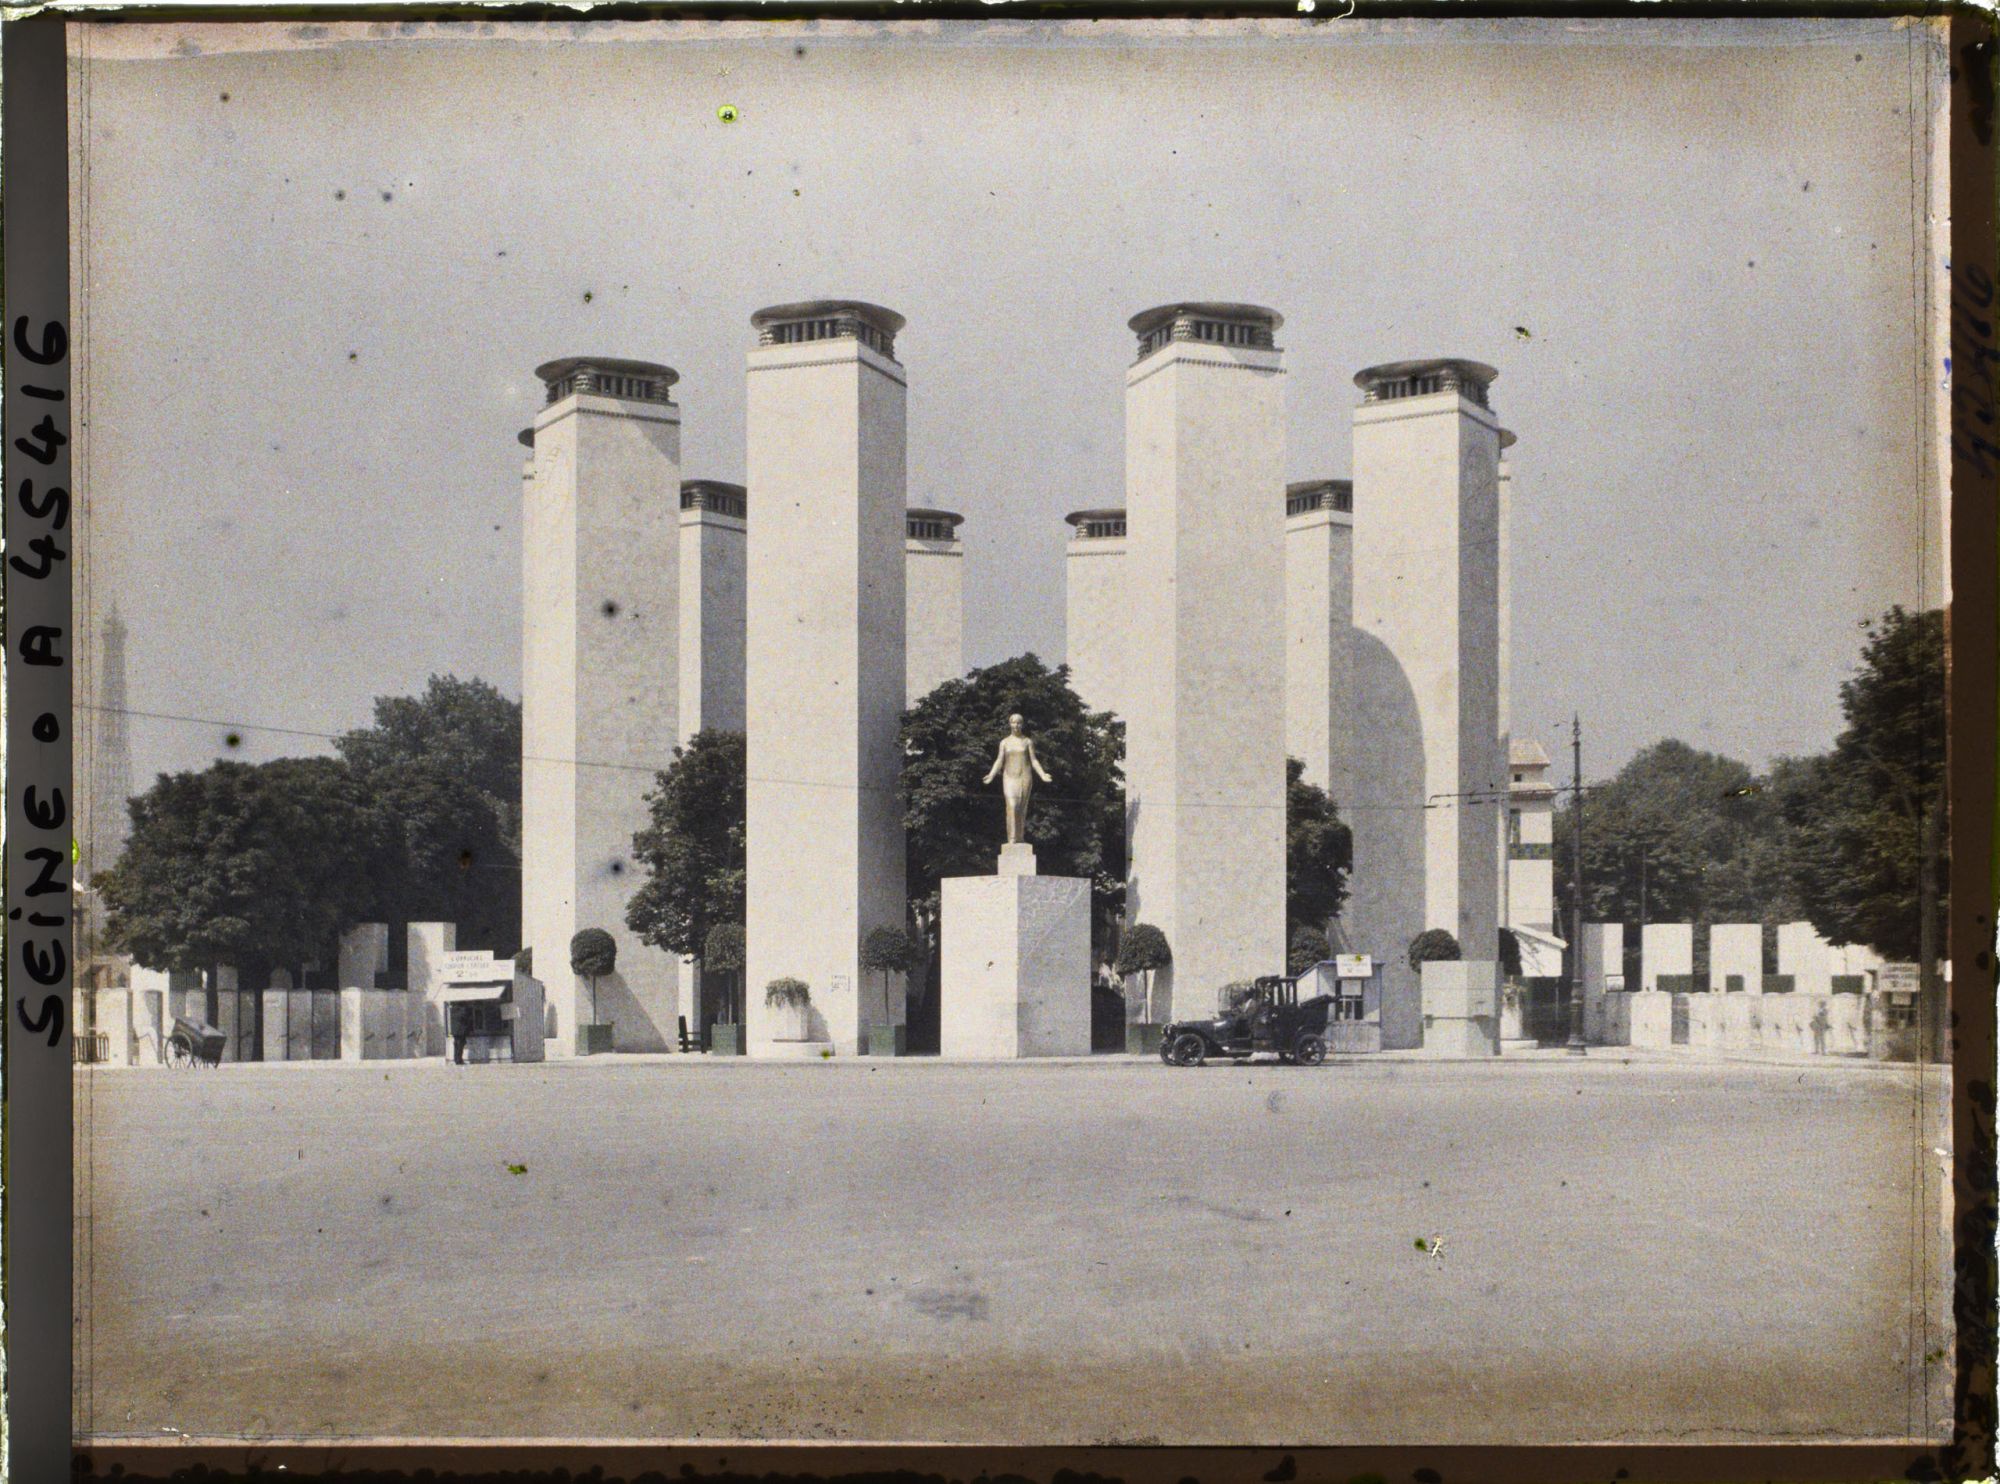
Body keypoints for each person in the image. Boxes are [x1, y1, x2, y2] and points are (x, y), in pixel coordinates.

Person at [983, 713, 1054, 844]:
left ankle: (1020, 837)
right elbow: (999, 760)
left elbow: (1034, 760)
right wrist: (992, 774)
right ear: (1010, 724)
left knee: (1022, 808)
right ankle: (1012, 838)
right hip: (1009, 778)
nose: (1016, 725)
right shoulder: (1004, 742)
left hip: (1024, 777)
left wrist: (1043, 774)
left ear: (1022, 724)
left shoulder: (1027, 742)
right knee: (1012, 805)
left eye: (1019, 722)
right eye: (1014, 722)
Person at [449, 1001, 469, 1065]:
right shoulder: (462, 1009)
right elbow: (465, 1018)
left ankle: (456, 1059)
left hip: (455, 1031)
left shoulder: (452, 1009)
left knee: (456, 1045)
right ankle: (459, 1060)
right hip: (461, 1031)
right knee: (460, 1046)